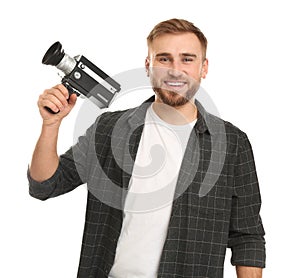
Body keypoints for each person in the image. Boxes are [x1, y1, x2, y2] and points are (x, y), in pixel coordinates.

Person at [28, 18, 266, 278]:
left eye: (187, 59)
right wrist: (51, 125)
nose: (175, 70)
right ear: (148, 66)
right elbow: (45, 184)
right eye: (164, 59)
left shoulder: (232, 144)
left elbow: (247, 237)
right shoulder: (108, 130)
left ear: (203, 67)